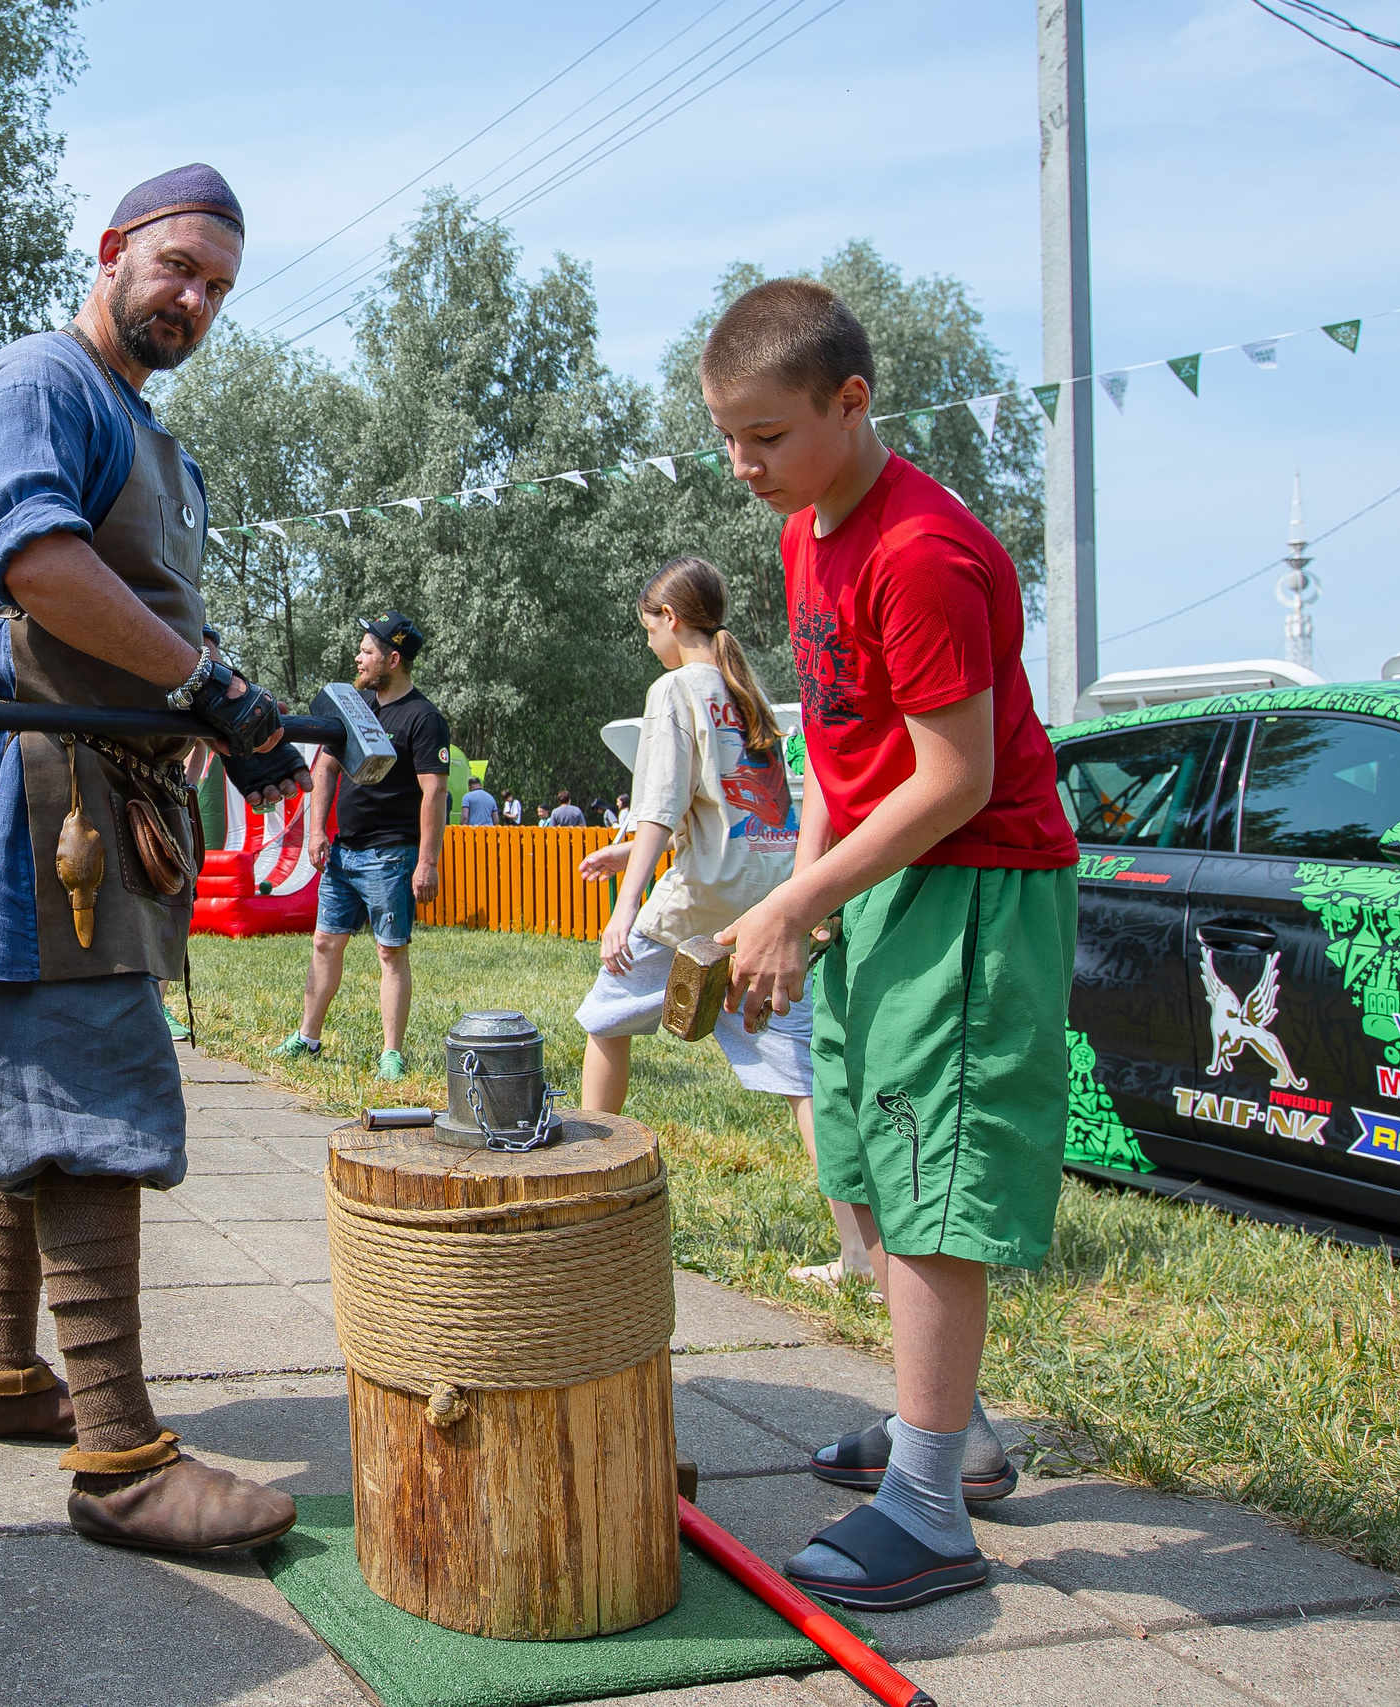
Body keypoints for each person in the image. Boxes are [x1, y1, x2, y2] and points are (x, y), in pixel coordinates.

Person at [0, 162, 304, 1555]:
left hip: (95, 775)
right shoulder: (39, 382)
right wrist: (205, 685)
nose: (194, 299)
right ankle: (121, 1458)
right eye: (178, 266)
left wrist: (216, 713)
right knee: (86, 1075)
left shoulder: (141, 425)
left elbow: (142, 612)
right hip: (42, 780)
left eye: (218, 287)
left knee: (36, 1059)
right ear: (114, 247)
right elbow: (41, 568)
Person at [708, 279, 1077, 1611]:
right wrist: (806, 893)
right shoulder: (808, 528)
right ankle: (950, 1432)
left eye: (767, 436)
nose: (744, 466)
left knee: (931, 1173)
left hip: (971, 884)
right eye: (727, 438)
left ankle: (927, 1510)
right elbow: (839, 736)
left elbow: (957, 776)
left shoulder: (921, 552)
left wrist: (792, 903)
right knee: (871, 1147)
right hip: (877, 884)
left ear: (851, 402)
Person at [572, 557, 847, 1269]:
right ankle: (859, 1252)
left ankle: (586, 1188)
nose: (649, 643)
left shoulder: (674, 689)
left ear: (669, 618)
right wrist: (625, 853)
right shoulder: (744, 688)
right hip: (769, 899)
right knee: (799, 1075)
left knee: (605, 1020)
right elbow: (735, 804)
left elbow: (661, 806)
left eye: (649, 629)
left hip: (700, 903)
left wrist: (624, 908)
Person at [273, 612, 448, 1081]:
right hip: (344, 850)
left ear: (393, 659)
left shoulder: (424, 718)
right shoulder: (356, 708)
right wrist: (316, 831)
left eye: (367, 651)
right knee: (324, 942)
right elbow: (326, 768)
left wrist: (427, 862)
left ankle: (391, 1054)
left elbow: (434, 792)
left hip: (391, 854)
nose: (358, 658)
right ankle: (308, 1038)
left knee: (390, 952)